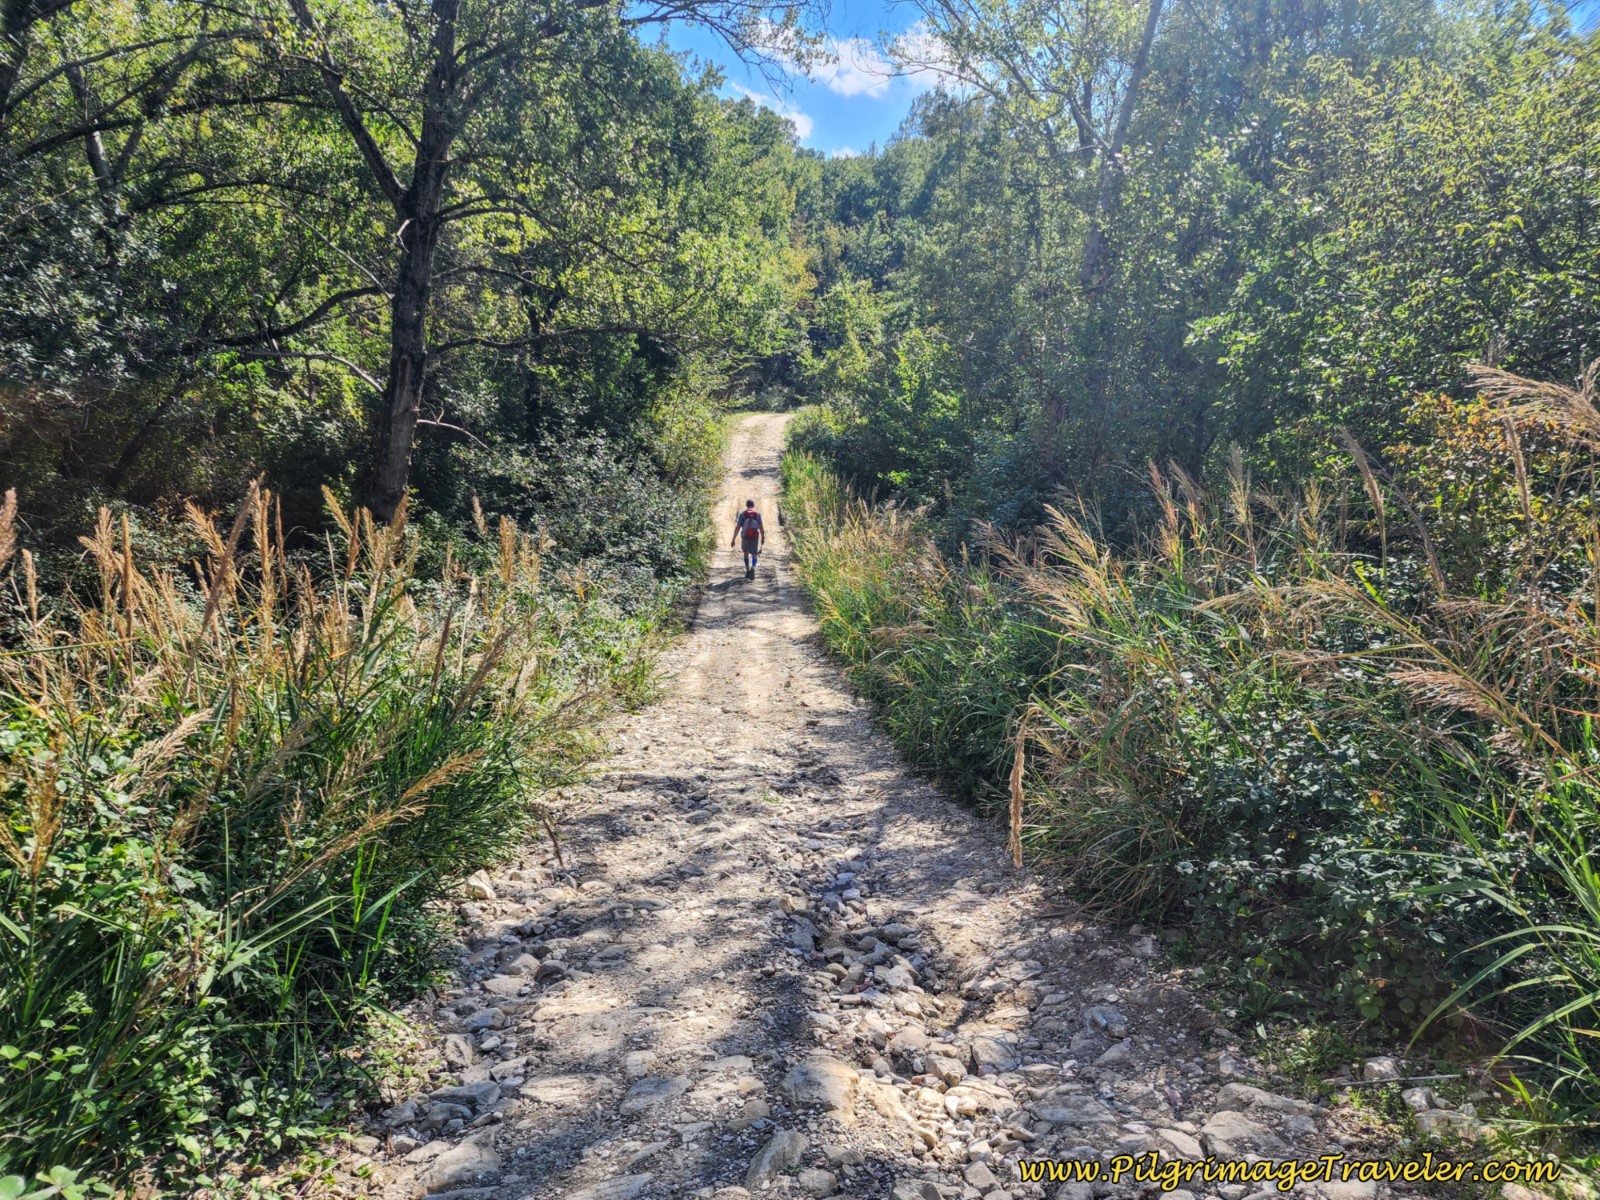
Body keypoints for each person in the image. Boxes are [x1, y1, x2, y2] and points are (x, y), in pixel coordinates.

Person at [732, 499, 764, 579]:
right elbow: (761, 528)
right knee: (754, 554)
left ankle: (747, 570)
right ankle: (753, 568)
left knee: (745, 553)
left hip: (745, 536)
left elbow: (738, 527)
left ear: (746, 505)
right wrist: (763, 538)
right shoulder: (757, 514)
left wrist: (733, 539)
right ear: (753, 506)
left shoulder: (743, 514)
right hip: (754, 537)